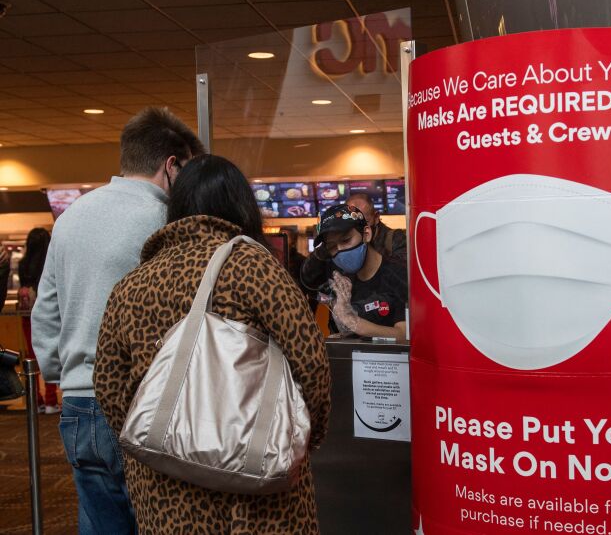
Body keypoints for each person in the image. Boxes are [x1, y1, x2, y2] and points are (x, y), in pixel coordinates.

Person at [94, 155, 331, 534]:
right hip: (256, 474)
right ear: (241, 207)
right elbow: (310, 363)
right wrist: (302, 440)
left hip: (164, 485)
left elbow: (107, 382)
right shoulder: (254, 267)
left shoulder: (132, 284)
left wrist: (159, 438)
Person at [31, 106, 204, 534]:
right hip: (141, 402)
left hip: (77, 406)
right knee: (162, 522)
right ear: (171, 165)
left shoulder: (69, 218)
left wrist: (65, 373)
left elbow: (45, 313)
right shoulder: (165, 221)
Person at [303, 203, 408, 340]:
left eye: (346, 240)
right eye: (332, 246)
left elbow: (404, 335)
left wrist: (354, 322)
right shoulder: (339, 280)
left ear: (366, 234)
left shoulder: (399, 274)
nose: (340, 250)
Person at [17, 227, 59, 413]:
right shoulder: (48, 263)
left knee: (31, 355)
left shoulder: (23, 264)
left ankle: (36, 400)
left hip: (27, 315)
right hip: (48, 313)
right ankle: (51, 400)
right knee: (49, 352)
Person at [346, 192, 407, 264]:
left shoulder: (395, 238)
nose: (356, 229)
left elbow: (404, 269)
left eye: (363, 223)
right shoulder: (344, 241)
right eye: (351, 224)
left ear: (376, 217)